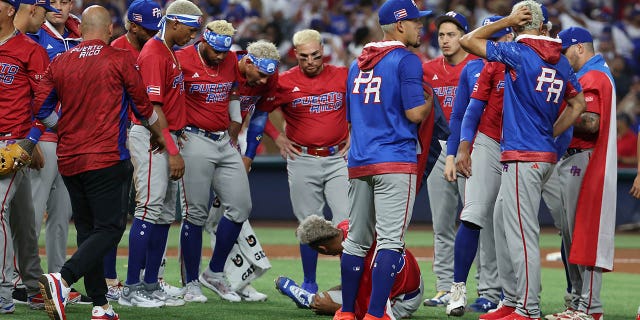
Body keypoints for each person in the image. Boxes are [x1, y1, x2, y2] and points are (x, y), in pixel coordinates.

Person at [26, 5, 174, 320]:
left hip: (69, 158)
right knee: (110, 227)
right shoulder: (119, 59)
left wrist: (61, 127)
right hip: (106, 157)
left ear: (80, 30)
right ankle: (63, 278)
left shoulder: (60, 61)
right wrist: (161, 136)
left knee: (88, 229)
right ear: (109, 30)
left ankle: (100, 304)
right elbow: (144, 107)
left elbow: (41, 108)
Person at [459, 1, 586, 319]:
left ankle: (527, 307)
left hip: (523, 155)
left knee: (521, 233)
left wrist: (507, 20)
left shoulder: (519, 51)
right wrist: (550, 133)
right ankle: (512, 301)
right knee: (504, 222)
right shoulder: (560, 60)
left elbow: (467, 40)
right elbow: (578, 103)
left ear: (518, 24)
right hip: (541, 154)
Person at [337, 0, 431, 319]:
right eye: (417, 22)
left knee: (356, 241)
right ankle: (376, 314)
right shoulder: (407, 60)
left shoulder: (356, 64)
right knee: (390, 241)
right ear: (400, 25)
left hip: (360, 159)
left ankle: (347, 313)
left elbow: (351, 119)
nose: (422, 26)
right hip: (394, 159)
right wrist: (429, 104)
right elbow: (415, 112)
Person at [119, 0, 200, 308]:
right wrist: (172, 148)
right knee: (148, 210)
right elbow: (152, 109)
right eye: (190, 30)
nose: (192, 36)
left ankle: (151, 284)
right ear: (175, 23)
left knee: (164, 214)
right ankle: (131, 288)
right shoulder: (154, 53)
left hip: (165, 139)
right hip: (152, 137)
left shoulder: (168, 51)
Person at [175, 19, 258, 303]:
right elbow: (168, 98)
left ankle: (213, 273)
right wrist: (175, 133)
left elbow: (234, 91)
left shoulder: (232, 59)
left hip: (223, 139)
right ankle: (190, 283)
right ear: (204, 41)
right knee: (195, 214)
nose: (221, 57)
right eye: (216, 51)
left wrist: (235, 123)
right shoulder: (181, 58)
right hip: (193, 138)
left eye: (226, 51)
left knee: (241, 206)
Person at [200, 39, 282, 302]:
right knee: (200, 217)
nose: (263, 81)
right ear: (248, 62)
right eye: (260, 74)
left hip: (230, 148)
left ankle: (237, 278)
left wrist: (248, 156)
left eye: (268, 76)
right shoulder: (222, 64)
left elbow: (259, 117)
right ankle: (191, 280)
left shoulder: (268, 77)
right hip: (199, 142)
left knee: (236, 212)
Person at [270, 28, 350, 294]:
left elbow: (364, 104)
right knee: (308, 223)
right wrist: (276, 137)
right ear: (295, 55)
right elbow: (258, 108)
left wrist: (357, 134)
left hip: (338, 156)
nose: (311, 61)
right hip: (302, 157)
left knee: (346, 223)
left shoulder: (342, 75)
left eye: (315, 55)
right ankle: (309, 283)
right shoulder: (283, 81)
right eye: (304, 57)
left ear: (323, 51)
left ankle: (351, 284)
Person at [544, 26, 617, 320]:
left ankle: (589, 306)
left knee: (584, 233)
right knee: (573, 235)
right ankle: (577, 303)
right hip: (577, 158)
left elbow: (590, 122)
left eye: (564, 52)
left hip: (583, 158)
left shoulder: (593, 76)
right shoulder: (592, 73)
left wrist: (557, 111)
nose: (562, 57)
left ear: (579, 48)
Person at [444, 16, 514, 316]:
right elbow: (464, 112)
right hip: (486, 141)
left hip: (520, 145)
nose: (494, 44)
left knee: (511, 223)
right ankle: (457, 289)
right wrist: (460, 148)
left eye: (499, 37)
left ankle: (512, 296)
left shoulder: (527, 61)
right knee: (472, 214)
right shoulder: (476, 68)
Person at [104, 0, 163, 302]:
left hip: (146, 133)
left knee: (149, 206)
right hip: (121, 135)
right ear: (133, 25)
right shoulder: (115, 49)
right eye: (148, 29)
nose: (153, 33)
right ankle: (110, 278)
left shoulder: (156, 49)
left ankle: (148, 276)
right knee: (115, 213)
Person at [421, 10, 477, 307]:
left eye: (452, 34)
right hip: (439, 149)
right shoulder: (427, 69)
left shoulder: (477, 66)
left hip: (471, 149)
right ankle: (444, 287)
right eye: (441, 34)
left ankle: (487, 290)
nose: (445, 40)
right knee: (441, 225)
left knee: (474, 221)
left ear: (465, 36)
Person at [0, 0, 53, 314]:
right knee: (21, 220)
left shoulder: (30, 49)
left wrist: (31, 143)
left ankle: (3, 292)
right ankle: (34, 288)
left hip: (11, 143)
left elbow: (46, 106)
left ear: (10, 9)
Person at [275, 216, 423, 320]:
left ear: (323, 249)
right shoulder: (345, 227)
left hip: (404, 300)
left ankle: (308, 298)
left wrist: (333, 308)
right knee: (345, 288)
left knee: (322, 301)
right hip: (411, 277)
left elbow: (368, 310)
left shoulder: (361, 262)